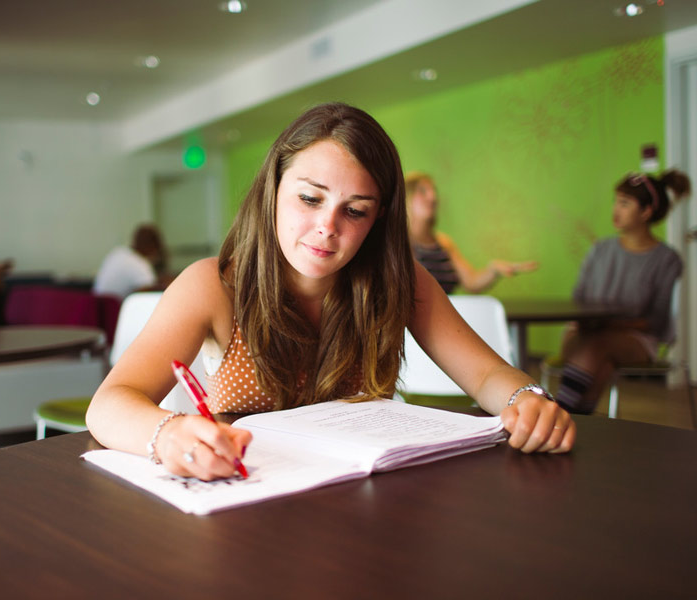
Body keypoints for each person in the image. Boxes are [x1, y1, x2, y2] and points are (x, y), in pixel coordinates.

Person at [86, 102, 575, 482]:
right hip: (246, 499)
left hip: (358, 498)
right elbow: (109, 405)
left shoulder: (398, 281)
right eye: (309, 198)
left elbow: (488, 373)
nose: (326, 228)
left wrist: (526, 397)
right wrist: (167, 433)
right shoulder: (213, 285)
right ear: (273, 186)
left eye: (355, 210)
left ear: (378, 216)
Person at [554, 170, 690, 414]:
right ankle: (575, 419)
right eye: (616, 201)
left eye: (625, 203)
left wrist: (611, 325)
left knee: (598, 345)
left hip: (637, 341)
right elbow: (578, 300)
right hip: (584, 333)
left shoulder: (667, 260)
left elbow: (657, 322)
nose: (616, 210)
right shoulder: (600, 250)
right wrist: (589, 322)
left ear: (646, 212)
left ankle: (560, 413)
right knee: (602, 361)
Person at [405, 171, 538, 293]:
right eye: (422, 191)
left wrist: (493, 270)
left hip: (444, 317)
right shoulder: (400, 243)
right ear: (406, 198)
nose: (432, 197)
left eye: (433, 190)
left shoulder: (444, 243)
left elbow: (471, 282)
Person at [92, 224, 174, 299]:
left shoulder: (118, 252)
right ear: (153, 246)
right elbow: (150, 291)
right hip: (116, 311)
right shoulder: (140, 263)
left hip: (98, 310)